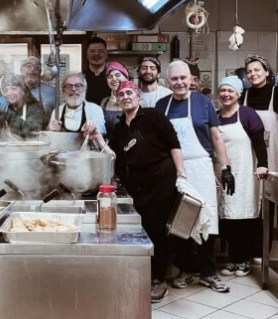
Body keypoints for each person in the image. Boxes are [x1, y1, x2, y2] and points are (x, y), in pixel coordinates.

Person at [89, 80, 186, 303]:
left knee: (157, 229)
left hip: (161, 178)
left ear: (138, 96)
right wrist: (96, 138)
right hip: (137, 183)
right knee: (141, 229)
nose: (125, 97)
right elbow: (114, 154)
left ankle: (158, 280)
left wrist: (181, 174)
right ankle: (146, 274)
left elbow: (174, 144)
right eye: (121, 94)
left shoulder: (154, 117)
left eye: (129, 92)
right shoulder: (120, 125)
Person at [155, 60, 234, 293]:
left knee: (207, 219)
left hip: (201, 166)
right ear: (167, 82)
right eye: (174, 79)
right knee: (181, 221)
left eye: (183, 78)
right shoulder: (161, 106)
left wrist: (225, 168)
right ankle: (185, 269)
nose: (179, 82)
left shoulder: (203, 103)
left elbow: (216, 138)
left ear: (191, 79)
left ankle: (208, 272)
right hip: (174, 170)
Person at [217, 76, 268, 277]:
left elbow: (259, 143)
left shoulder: (248, 114)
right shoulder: (215, 115)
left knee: (244, 217)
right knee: (226, 217)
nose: (226, 94)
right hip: (223, 173)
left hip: (245, 172)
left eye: (231, 91)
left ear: (238, 94)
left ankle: (243, 260)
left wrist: (263, 165)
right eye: (223, 90)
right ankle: (231, 259)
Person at [241, 54, 278, 260]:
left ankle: (262, 249)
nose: (253, 74)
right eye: (249, 71)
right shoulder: (244, 96)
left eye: (257, 70)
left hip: (272, 154)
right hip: (248, 154)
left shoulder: (276, 93)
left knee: (267, 200)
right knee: (249, 198)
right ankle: (246, 247)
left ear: (266, 71)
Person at [20, 56, 56, 126]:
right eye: (28, 66)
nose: (33, 69)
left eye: (37, 68)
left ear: (40, 72)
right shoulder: (12, 90)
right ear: (21, 70)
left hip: (43, 134)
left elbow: (58, 117)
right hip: (16, 135)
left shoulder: (51, 91)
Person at [100, 61, 130, 138]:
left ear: (126, 77)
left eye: (118, 75)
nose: (114, 79)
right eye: (109, 77)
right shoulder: (104, 102)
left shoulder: (137, 100)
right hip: (107, 147)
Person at [84, 36, 110, 105]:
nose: (96, 54)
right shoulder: (80, 78)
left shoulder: (113, 77)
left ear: (106, 54)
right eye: (92, 51)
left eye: (100, 51)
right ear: (87, 55)